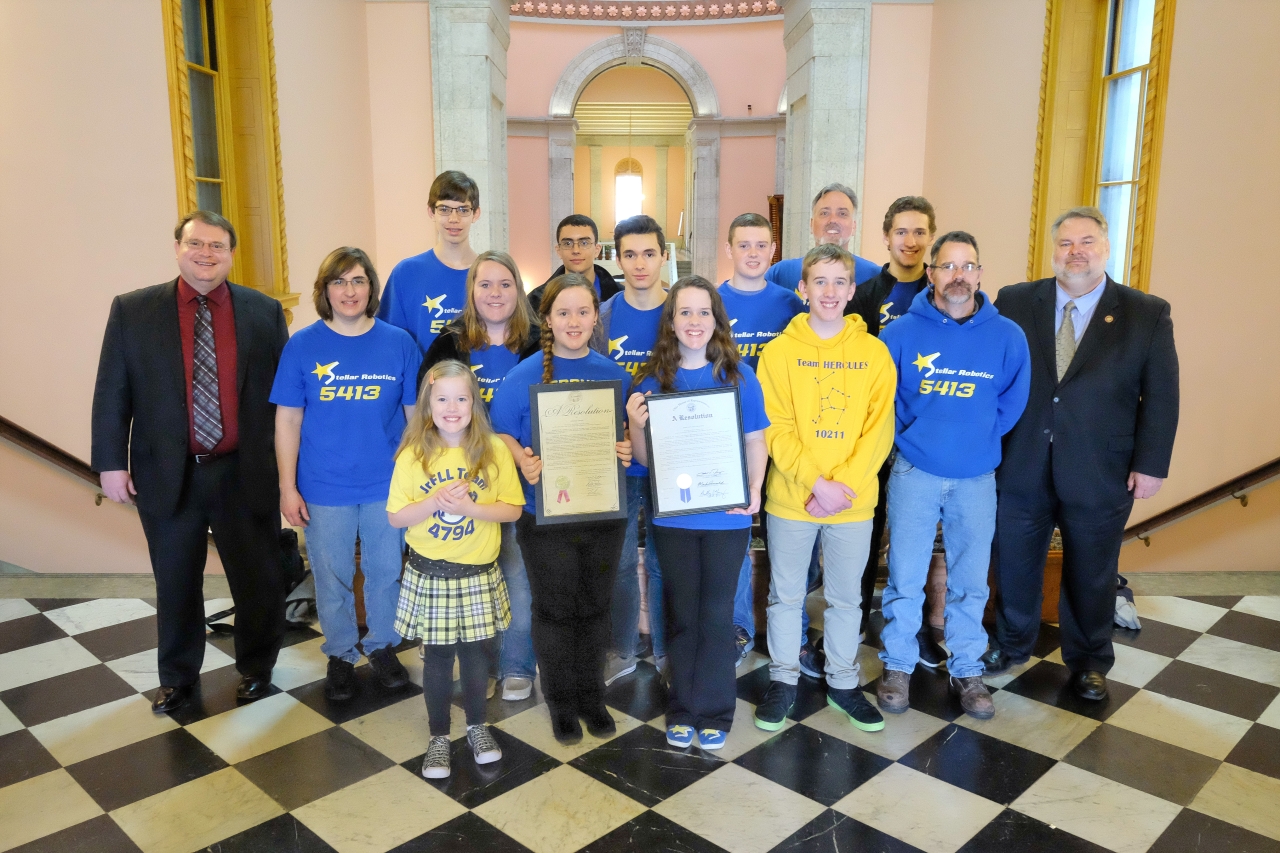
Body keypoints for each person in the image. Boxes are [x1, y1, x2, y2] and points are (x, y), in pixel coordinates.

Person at [92, 211, 288, 713]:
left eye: (217, 246)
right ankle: (177, 676)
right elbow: (113, 390)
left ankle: (257, 668)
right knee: (176, 582)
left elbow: (286, 401)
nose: (206, 254)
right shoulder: (132, 311)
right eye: (196, 244)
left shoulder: (264, 312)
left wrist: (291, 473)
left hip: (244, 471)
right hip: (167, 473)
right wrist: (110, 463)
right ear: (177, 248)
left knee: (258, 578)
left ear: (231, 253)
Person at [986, 207, 1179, 701]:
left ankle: (1090, 661)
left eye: (1087, 242)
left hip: (1102, 468)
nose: (1076, 252)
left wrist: (1151, 464)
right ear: (1053, 250)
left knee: (1092, 569)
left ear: (1106, 247)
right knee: (1012, 561)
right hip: (1021, 460)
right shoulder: (1014, 300)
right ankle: (1010, 645)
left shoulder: (1146, 312)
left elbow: (1161, 394)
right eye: (1066, 243)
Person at [875, 231, 1030, 720]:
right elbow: (888, 403)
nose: (958, 276)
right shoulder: (900, 333)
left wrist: (977, 437)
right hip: (915, 471)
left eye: (968, 266)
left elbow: (1011, 403)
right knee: (904, 576)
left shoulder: (1008, 336)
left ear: (980, 274)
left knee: (970, 582)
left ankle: (966, 667)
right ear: (931, 272)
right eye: (948, 266)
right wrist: (918, 439)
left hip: (976, 478)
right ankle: (897, 664)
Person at [753, 244, 895, 733]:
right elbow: (776, 426)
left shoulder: (874, 353)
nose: (830, 292)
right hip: (793, 499)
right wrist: (817, 483)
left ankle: (843, 682)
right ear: (803, 288)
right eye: (820, 282)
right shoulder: (778, 353)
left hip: (852, 504)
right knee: (785, 597)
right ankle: (783, 680)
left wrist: (841, 488)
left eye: (840, 282)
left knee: (847, 600)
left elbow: (879, 432)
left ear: (852, 291)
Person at [490, 273, 634, 743]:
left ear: (596, 316)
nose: (574, 321)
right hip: (544, 515)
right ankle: (561, 703)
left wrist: (629, 447)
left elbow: (626, 438)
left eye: (583, 311)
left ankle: (592, 696)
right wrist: (521, 458)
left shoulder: (614, 374)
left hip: (602, 514)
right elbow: (499, 432)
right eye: (563, 312)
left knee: (595, 606)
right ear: (547, 319)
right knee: (553, 610)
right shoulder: (522, 376)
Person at [627, 277, 769, 751]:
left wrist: (754, 489)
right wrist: (635, 423)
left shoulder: (738, 376)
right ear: (671, 321)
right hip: (674, 519)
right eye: (684, 312)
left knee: (715, 615)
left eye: (702, 312)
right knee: (682, 613)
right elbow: (645, 461)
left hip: (727, 515)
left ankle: (716, 710)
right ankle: (682, 708)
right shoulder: (653, 381)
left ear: (716, 320)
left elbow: (755, 440)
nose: (694, 322)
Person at [272, 247, 419, 702]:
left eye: (358, 280)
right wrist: (287, 486)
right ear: (325, 291)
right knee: (331, 574)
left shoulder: (398, 343)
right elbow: (288, 421)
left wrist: (409, 475)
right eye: (339, 282)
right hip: (324, 485)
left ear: (371, 287)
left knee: (385, 571)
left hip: (384, 485)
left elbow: (416, 418)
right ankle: (339, 653)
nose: (349, 291)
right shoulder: (302, 345)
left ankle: (381, 647)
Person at [387, 360, 525, 779]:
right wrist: (434, 502)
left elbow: (513, 508)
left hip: (477, 574)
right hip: (431, 573)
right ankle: (438, 737)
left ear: (474, 402)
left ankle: (477, 727)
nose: (452, 407)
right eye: (442, 399)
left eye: (461, 398)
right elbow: (396, 517)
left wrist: (468, 508)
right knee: (437, 660)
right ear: (429, 404)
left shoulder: (494, 449)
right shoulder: (413, 454)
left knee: (477, 655)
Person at [420, 251, 541, 701]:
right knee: (472, 579)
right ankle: (480, 667)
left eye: (505, 284)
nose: (495, 293)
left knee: (517, 576)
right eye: (485, 284)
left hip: (523, 479)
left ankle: (516, 665)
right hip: (461, 482)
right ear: (471, 290)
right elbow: (423, 408)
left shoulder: (537, 343)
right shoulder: (449, 343)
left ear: (518, 291)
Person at [845, 196, 944, 666]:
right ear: (886, 237)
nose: (910, 241)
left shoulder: (943, 291)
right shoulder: (866, 294)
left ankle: (917, 628)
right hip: (874, 431)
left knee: (914, 537)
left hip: (923, 433)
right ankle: (856, 615)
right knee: (868, 530)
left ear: (930, 238)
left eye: (919, 232)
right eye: (901, 232)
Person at [715, 213, 805, 667]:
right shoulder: (711, 302)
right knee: (735, 535)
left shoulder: (792, 305)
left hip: (786, 436)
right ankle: (737, 627)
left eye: (760, 245)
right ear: (729, 249)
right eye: (743, 244)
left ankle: (792, 630)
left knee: (788, 538)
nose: (752, 253)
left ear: (773, 251)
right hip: (730, 439)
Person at [592, 215, 669, 687]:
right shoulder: (601, 316)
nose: (639, 263)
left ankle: (664, 646)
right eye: (629, 254)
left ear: (663, 255)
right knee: (618, 558)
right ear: (616, 260)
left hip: (668, 459)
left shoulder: (682, 312)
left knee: (664, 558)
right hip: (615, 461)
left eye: (648, 253)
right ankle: (619, 646)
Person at [377, 170, 481, 353]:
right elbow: (389, 343)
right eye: (444, 209)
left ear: (476, 214)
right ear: (431, 212)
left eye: (463, 210)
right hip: (422, 380)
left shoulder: (490, 276)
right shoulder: (405, 273)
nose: (453, 219)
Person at [765, 183, 881, 293]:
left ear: (854, 226)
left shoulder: (874, 276)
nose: (833, 220)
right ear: (811, 224)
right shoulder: (781, 273)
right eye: (824, 213)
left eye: (842, 214)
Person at [527, 214, 623, 313]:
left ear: (597, 250)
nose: (576, 250)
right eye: (568, 243)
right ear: (558, 250)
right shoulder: (535, 302)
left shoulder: (621, 298)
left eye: (584, 243)